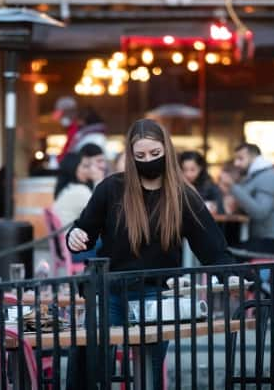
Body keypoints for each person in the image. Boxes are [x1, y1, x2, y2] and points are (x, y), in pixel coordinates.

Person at [66, 119, 234, 390]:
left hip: (157, 296)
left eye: (155, 154)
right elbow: (84, 231)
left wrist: (237, 277)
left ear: (166, 151)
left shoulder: (183, 197)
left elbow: (213, 251)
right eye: (140, 155)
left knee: (149, 374)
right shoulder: (111, 188)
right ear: (131, 158)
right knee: (92, 367)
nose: (148, 160)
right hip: (108, 291)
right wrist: (74, 236)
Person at [219, 143, 274, 256]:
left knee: (225, 254)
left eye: (240, 159)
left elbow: (260, 212)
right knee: (224, 248)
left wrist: (233, 187)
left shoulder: (267, 178)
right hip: (265, 240)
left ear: (254, 158)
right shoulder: (255, 177)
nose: (236, 163)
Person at [52, 153, 95, 262]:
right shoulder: (80, 191)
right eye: (85, 166)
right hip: (74, 250)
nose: (89, 170)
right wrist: (99, 181)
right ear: (73, 168)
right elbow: (102, 213)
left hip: (65, 248)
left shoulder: (67, 188)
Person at [53, 96, 81, 163]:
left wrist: (59, 160)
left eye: (62, 115)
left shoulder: (75, 129)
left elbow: (68, 150)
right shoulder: (72, 129)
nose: (60, 119)